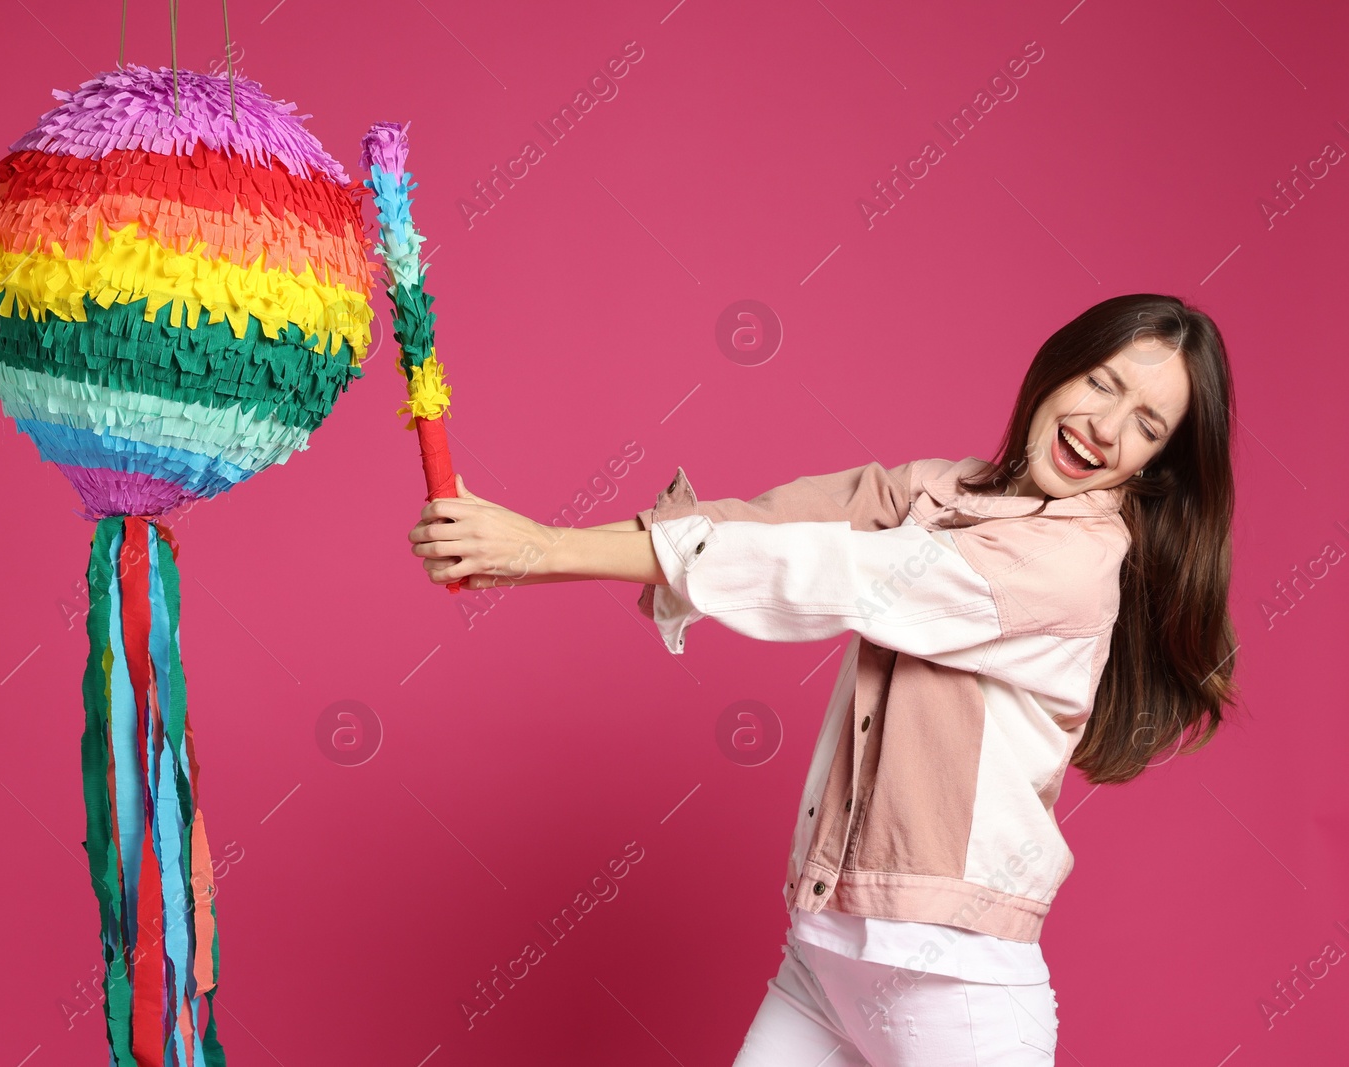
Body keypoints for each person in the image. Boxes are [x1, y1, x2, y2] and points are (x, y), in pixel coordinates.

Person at [406, 293, 1240, 1065]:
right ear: (1060, 364)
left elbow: (831, 569)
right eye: (1102, 381)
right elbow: (773, 522)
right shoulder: (942, 491)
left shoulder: (1069, 564)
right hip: (823, 958)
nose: (1105, 424)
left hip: (958, 987)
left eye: (1147, 425)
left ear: (1154, 466)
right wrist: (526, 551)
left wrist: (544, 550)